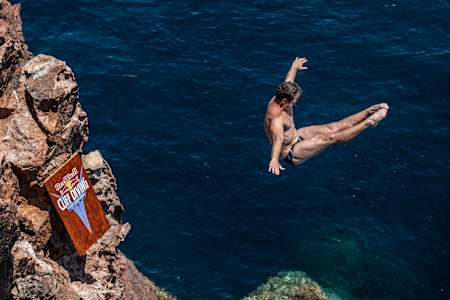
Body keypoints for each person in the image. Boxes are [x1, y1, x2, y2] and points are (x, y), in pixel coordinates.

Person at [264, 57, 389, 175]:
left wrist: (294, 68)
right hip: (293, 153)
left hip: (297, 135)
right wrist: (274, 159)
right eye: (294, 102)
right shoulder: (276, 119)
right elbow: (278, 140)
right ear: (285, 102)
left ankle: (368, 111)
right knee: (329, 137)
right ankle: (369, 122)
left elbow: (289, 81)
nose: (295, 104)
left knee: (333, 127)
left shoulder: (281, 95)